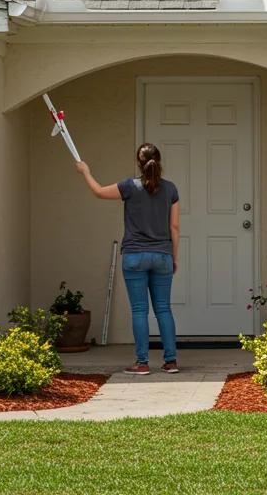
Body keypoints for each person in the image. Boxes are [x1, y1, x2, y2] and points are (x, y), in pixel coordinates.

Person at [75, 144, 181, 375]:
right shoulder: (171, 189)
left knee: (139, 310)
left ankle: (142, 363)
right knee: (163, 308)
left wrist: (85, 171)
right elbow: (174, 226)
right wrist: (174, 256)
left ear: (138, 162)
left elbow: (99, 192)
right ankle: (170, 361)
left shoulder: (129, 186)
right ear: (159, 161)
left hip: (134, 255)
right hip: (162, 254)